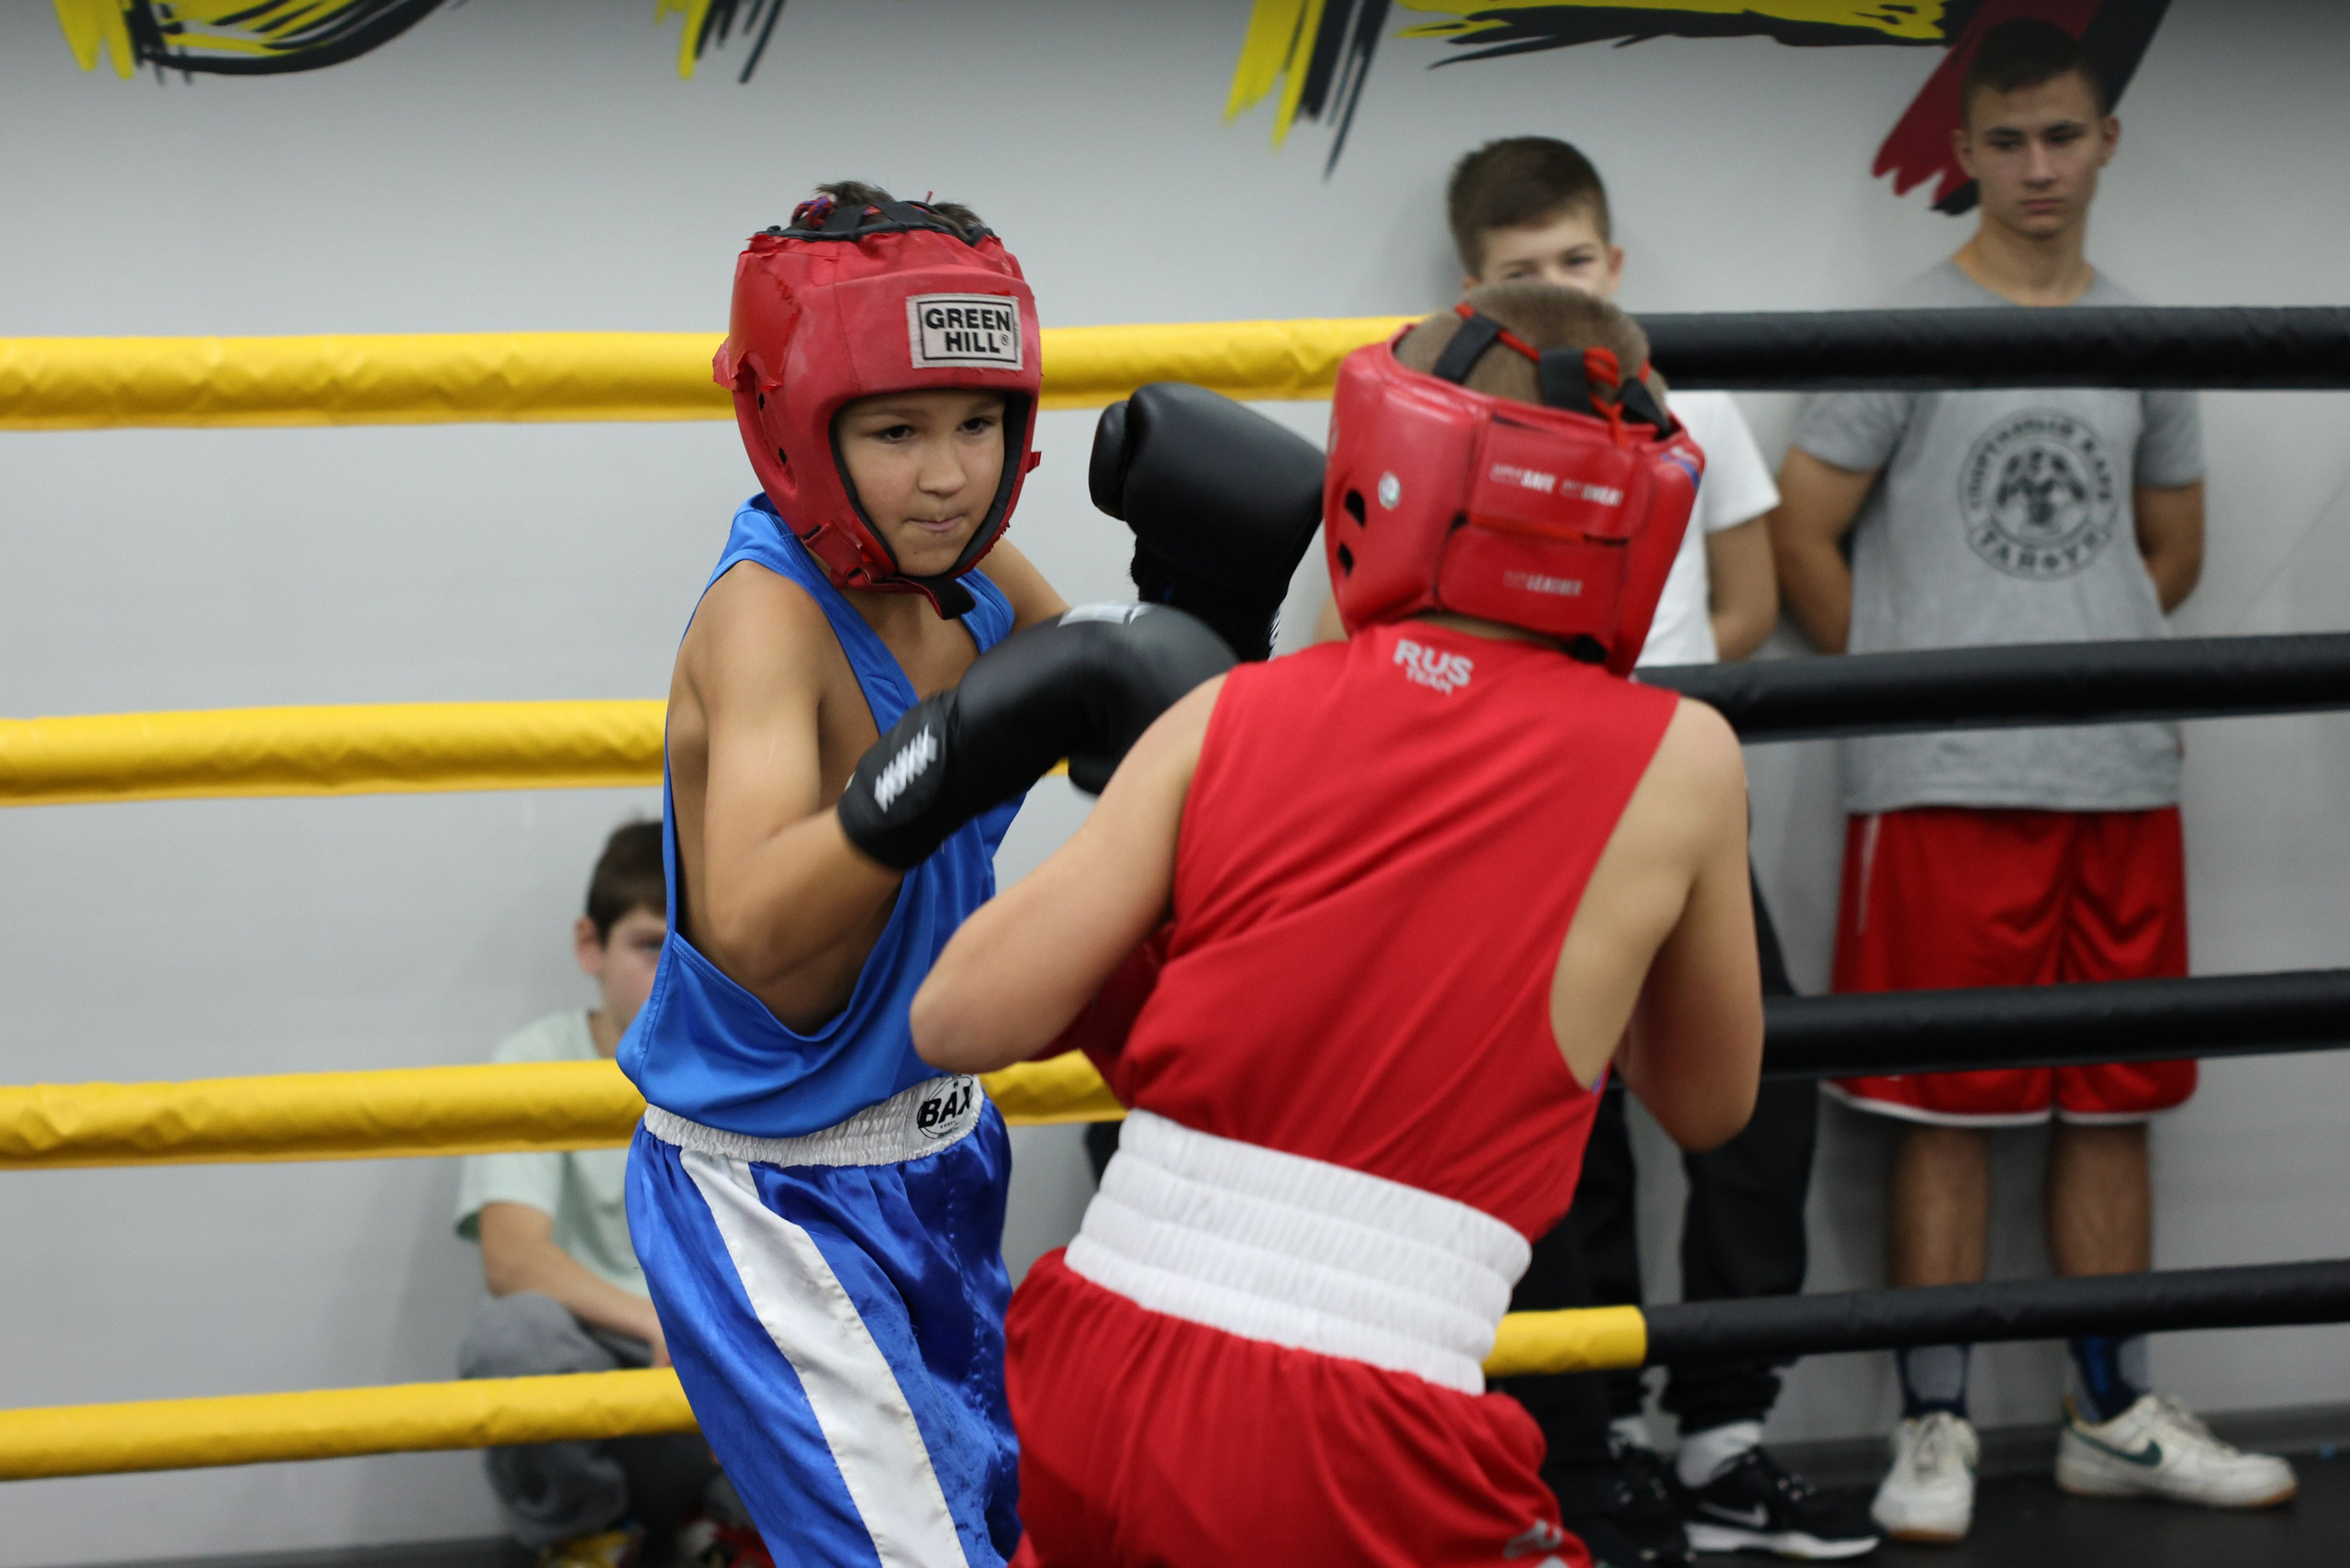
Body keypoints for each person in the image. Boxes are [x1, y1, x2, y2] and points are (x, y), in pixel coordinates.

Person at [914, 281, 1764, 1568]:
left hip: (1093, 1350)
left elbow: (957, 1015)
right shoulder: (1682, 759)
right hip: (1361, 1418)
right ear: (1632, 512)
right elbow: (1706, 1105)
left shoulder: (1226, 715)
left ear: (1392, 464)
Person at [614, 183, 1282, 1568]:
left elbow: (1141, 737)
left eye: (979, 423)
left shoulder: (973, 581)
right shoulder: (765, 623)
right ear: (800, 432)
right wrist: (948, 759)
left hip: (945, 1155)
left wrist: (1218, 626)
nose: (949, 474)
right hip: (775, 1192)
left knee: (997, 1532)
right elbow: (746, 917)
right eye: (898, 430)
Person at [1769, 20, 2295, 1544]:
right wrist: (1923, 692)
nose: (2038, 169)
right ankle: (1933, 1421)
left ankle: (2109, 1410)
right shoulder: (1905, 327)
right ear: (1968, 153)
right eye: (2007, 142)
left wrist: (2081, 655)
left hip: (2120, 772)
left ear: (2104, 141)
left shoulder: (2150, 334)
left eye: (2063, 137)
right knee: (1945, 1105)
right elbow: (1804, 536)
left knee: (2109, 1095)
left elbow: (2172, 550)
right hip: (1940, 782)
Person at [1344, 136, 1866, 1564]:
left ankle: (1724, 1433)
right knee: (1561, 1133)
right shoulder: (1441, 423)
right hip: (1526, 820)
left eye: (1577, 264)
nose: (1559, 293)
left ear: (1615, 266)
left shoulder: (1691, 413)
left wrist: (1648, 703)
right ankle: (1584, 1448)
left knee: (1760, 1101)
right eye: (1526, 276)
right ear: (1473, 288)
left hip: (1674, 806)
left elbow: (1747, 604)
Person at [455, 822, 730, 1568]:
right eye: (649, 944)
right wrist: (653, 1324)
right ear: (590, 946)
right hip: (603, 1382)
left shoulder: (741, 1071)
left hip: (713, 1392)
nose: (672, 968)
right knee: (512, 1337)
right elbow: (511, 1261)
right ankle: (588, 1539)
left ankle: (718, 1521)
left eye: (693, 946)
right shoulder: (532, 1063)